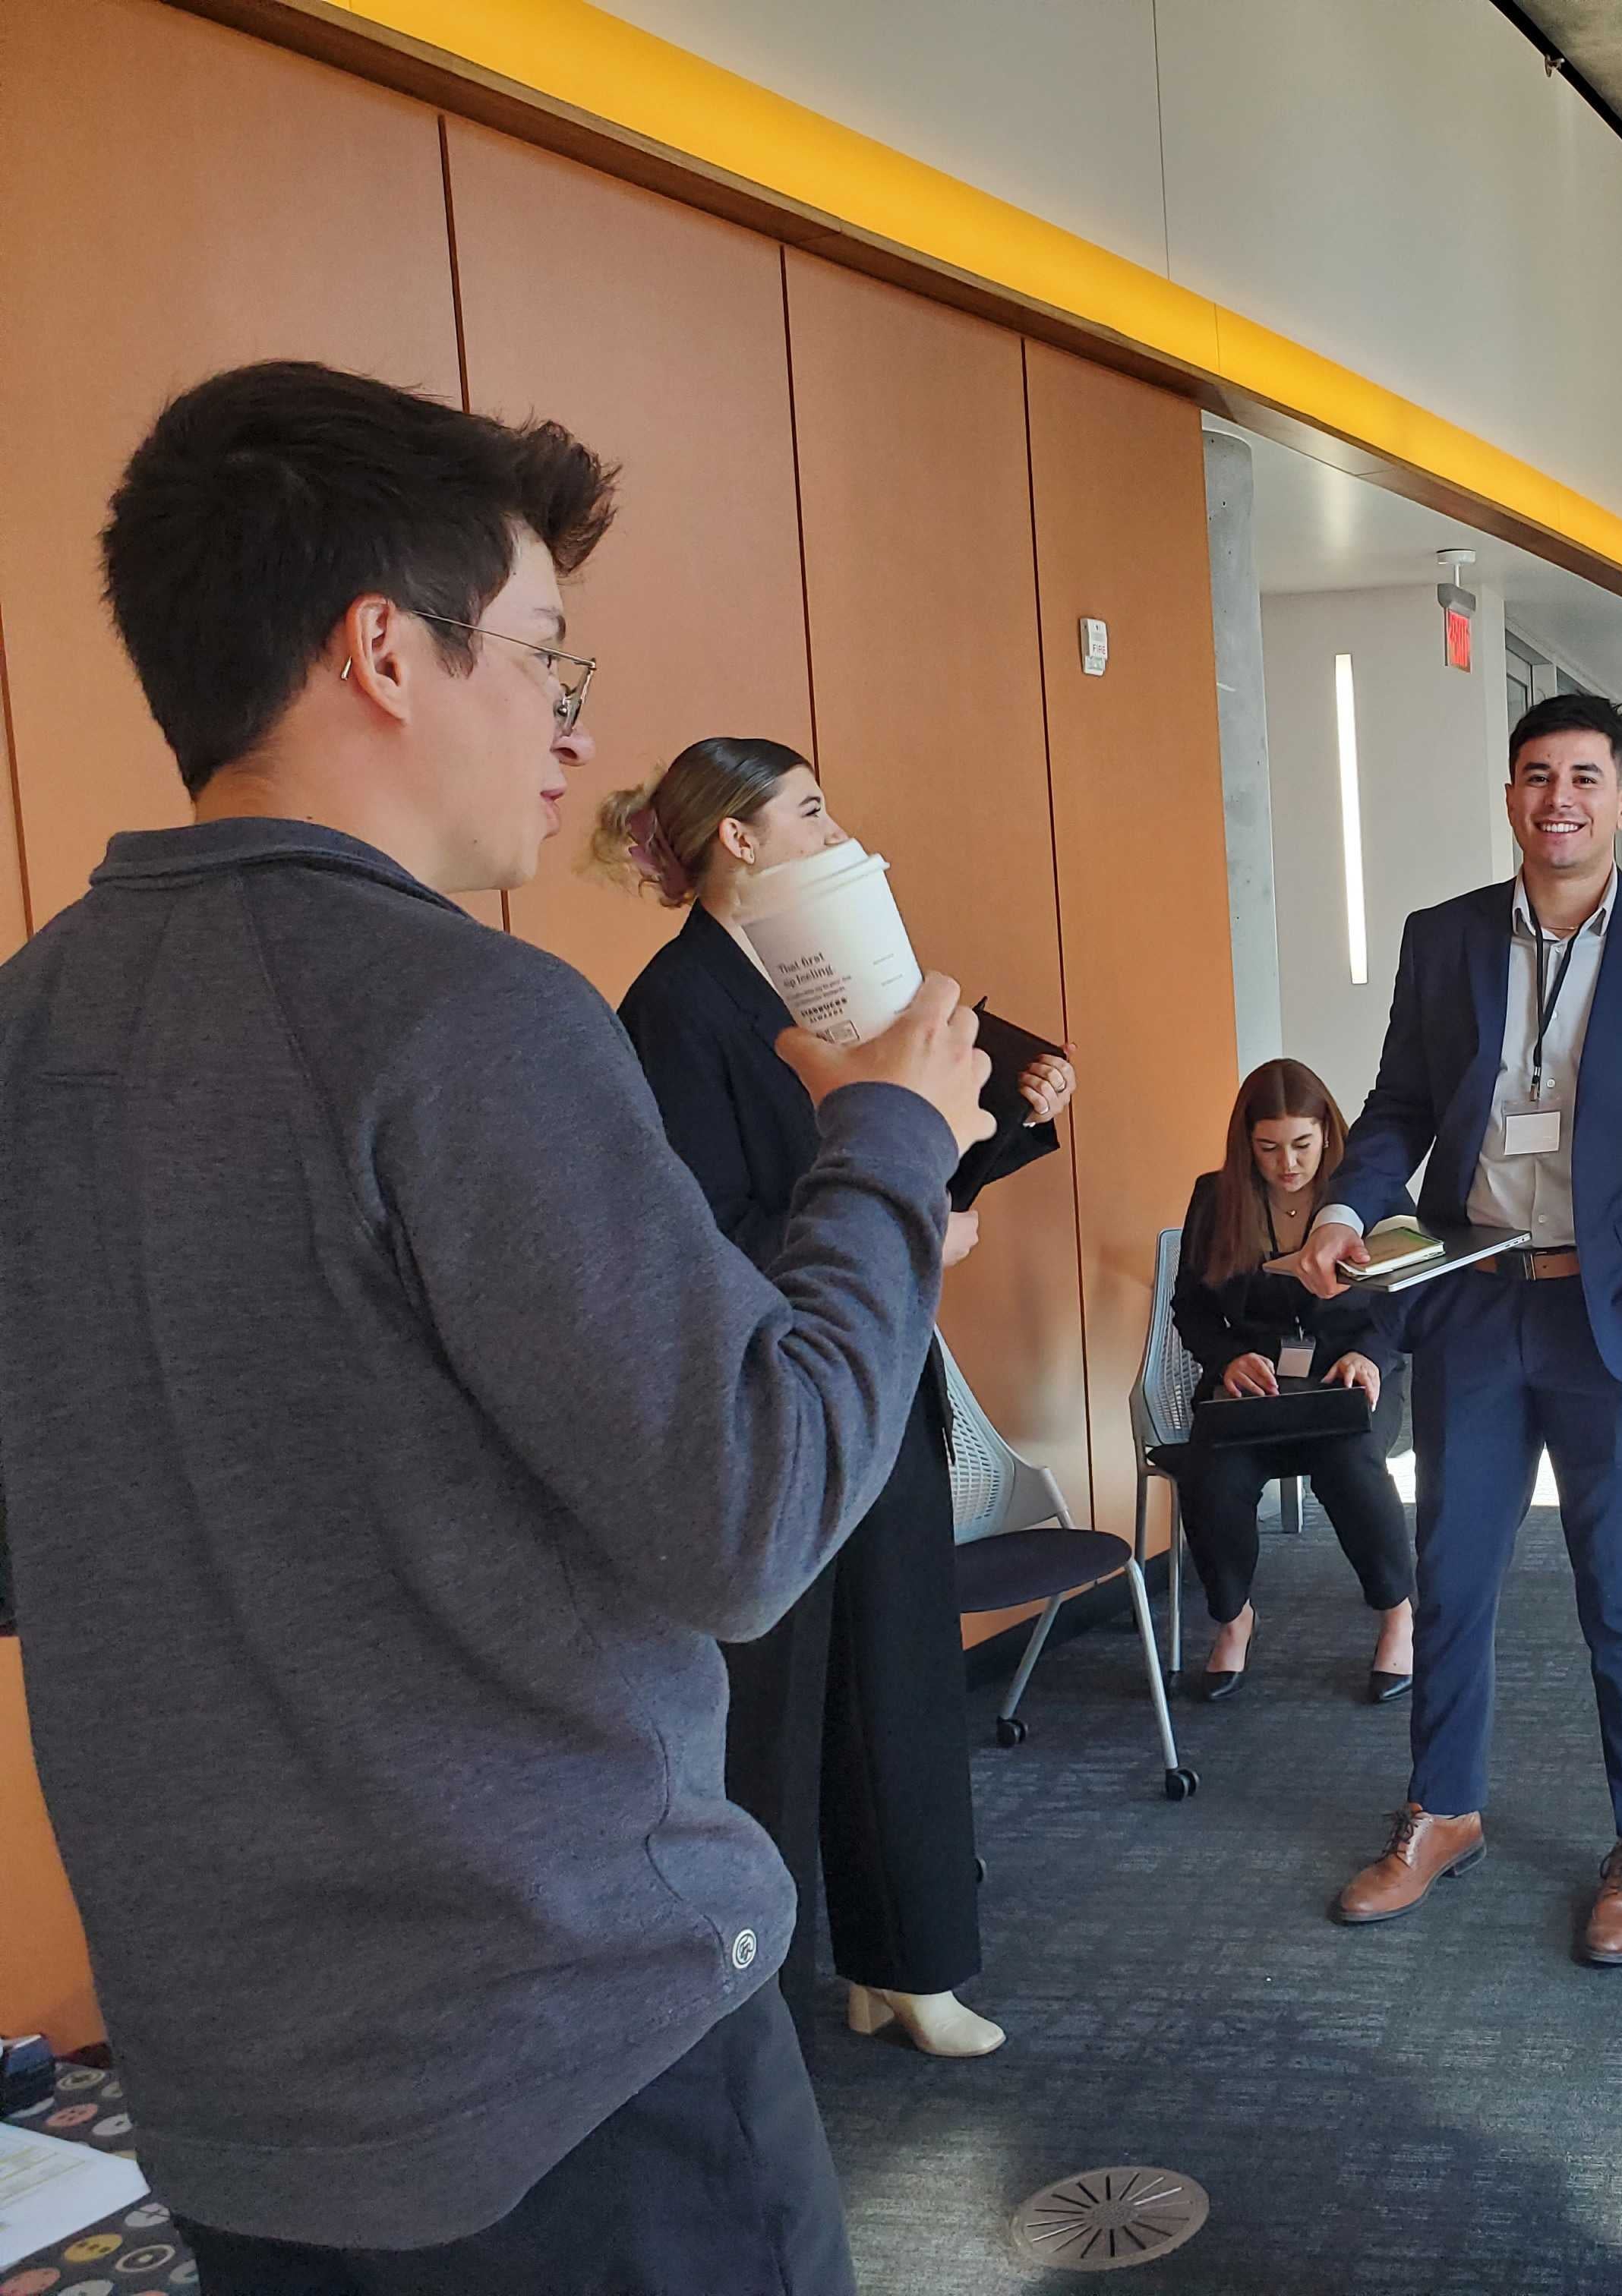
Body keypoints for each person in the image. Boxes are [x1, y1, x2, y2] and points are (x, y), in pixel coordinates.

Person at [0, 361, 991, 2292]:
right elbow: (756, 1511)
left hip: (240, 2097)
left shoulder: (30, 1028)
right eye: (546, 653)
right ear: (386, 649)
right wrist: (890, 1135)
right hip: (578, 2072)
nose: (566, 722)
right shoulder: (465, 1018)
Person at [604, 736, 1075, 2063]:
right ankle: (762, 2003)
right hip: (767, 1394)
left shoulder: (831, 983)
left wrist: (1017, 1122)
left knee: (905, 1674)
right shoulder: (675, 1004)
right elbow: (699, 1230)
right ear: (737, 838)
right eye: (808, 807)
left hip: (873, 1359)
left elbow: (918, 1163)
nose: (837, 828)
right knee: (777, 1709)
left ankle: (907, 1963)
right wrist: (896, 1227)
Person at [1286, 692, 1622, 1966]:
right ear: (1509, 794)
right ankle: (1441, 1809)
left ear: (1619, 799)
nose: (1559, 795)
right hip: (1476, 1298)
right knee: (1451, 1574)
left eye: (1584, 775)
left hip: (1612, 1314)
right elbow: (1394, 1107)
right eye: (1536, 774)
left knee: (1620, 1588)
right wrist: (1347, 1202)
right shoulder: (1443, 938)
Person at [1169, 1059, 1415, 1702]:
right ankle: (1233, 1617)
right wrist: (1226, 1360)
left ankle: (1397, 1613)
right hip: (1255, 1387)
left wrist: (1370, 1354)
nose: (1288, 1164)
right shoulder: (1216, 1197)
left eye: (1303, 1145)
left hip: (1347, 1375)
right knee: (1211, 1477)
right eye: (1269, 1148)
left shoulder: (1374, 1196)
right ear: (1245, 1144)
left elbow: (1406, 1297)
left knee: (1351, 1465)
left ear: (1327, 1135)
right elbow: (1191, 1306)